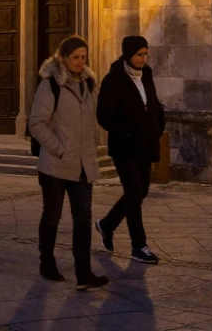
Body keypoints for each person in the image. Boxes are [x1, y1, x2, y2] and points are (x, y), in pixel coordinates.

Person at [28, 36, 109, 290]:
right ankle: (47, 262)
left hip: (84, 164)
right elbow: (37, 123)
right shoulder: (51, 84)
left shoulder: (89, 83)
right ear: (63, 57)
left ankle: (83, 272)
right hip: (56, 164)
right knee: (52, 216)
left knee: (83, 218)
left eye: (83, 57)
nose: (80, 61)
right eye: (75, 57)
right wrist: (59, 148)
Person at [94, 35, 165, 265]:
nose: (143, 59)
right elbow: (103, 115)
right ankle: (139, 245)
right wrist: (124, 132)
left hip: (145, 145)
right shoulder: (113, 80)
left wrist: (158, 124)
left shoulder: (147, 75)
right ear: (128, 54)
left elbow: (152, 102)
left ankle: (106, 224)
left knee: (141, 191)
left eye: (145, 54)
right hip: (124, 147)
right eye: (139, 55)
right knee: (134, 191)